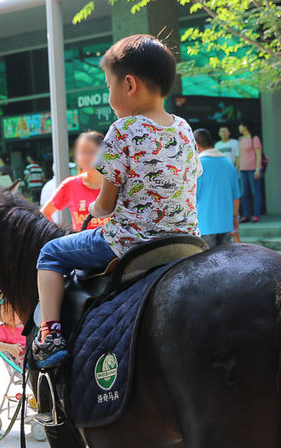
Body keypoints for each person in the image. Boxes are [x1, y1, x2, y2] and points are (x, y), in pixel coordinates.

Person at [32, 34, 201, 368]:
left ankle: (50, 335)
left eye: (109, 87)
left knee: (50, 253)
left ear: (129, 84)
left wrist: (94, 210)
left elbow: (105, 206)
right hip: (186, 241)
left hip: (131, 242)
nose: (110, 98)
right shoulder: (184, 129)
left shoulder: (123, 129)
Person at [41, 131, 108, 231]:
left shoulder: (114, 183)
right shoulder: (70, 185)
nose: (85, 157)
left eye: (91, 152)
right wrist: (58, 234)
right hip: (81, 240)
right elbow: (44, 213)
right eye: (82, 152)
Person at [193, 128, 240, 248]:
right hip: (226, 223)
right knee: (226, 258)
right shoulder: (228, 164)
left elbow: (193, 196)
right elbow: (236, 196)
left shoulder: (198, 165)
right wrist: (235, 217)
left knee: (207, 259)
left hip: (204, 224)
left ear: (196, 145)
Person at [237, 121, 263, 223]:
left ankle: (256, 214)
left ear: (245, 127)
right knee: (244, 193)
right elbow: (240, 155)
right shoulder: (240, 139)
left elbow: (258, 154)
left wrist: (257, 169)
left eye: (241, 125)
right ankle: (246, 214)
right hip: (243, 169)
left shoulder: (254, 138)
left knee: (255, 192)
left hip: (253, 169)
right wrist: (238, 167)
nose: (239, 127)